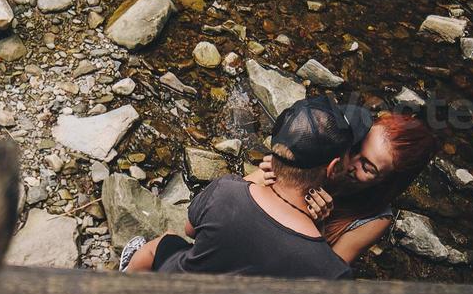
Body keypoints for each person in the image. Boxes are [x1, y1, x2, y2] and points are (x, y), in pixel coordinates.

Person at [121, 98, 355, 279]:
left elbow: (190, 230)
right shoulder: (331, 271)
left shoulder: (225, 192)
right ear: (333, 167)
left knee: (163, 244)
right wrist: (320, 227)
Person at [250, 107, 439, 265]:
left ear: (385, 181)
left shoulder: (375, 220)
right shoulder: (328, 151)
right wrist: (278, 172)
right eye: (355, 149)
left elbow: (325, 277)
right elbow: (233, 194)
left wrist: (317, 225)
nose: (349, 164)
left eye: (366, 167)